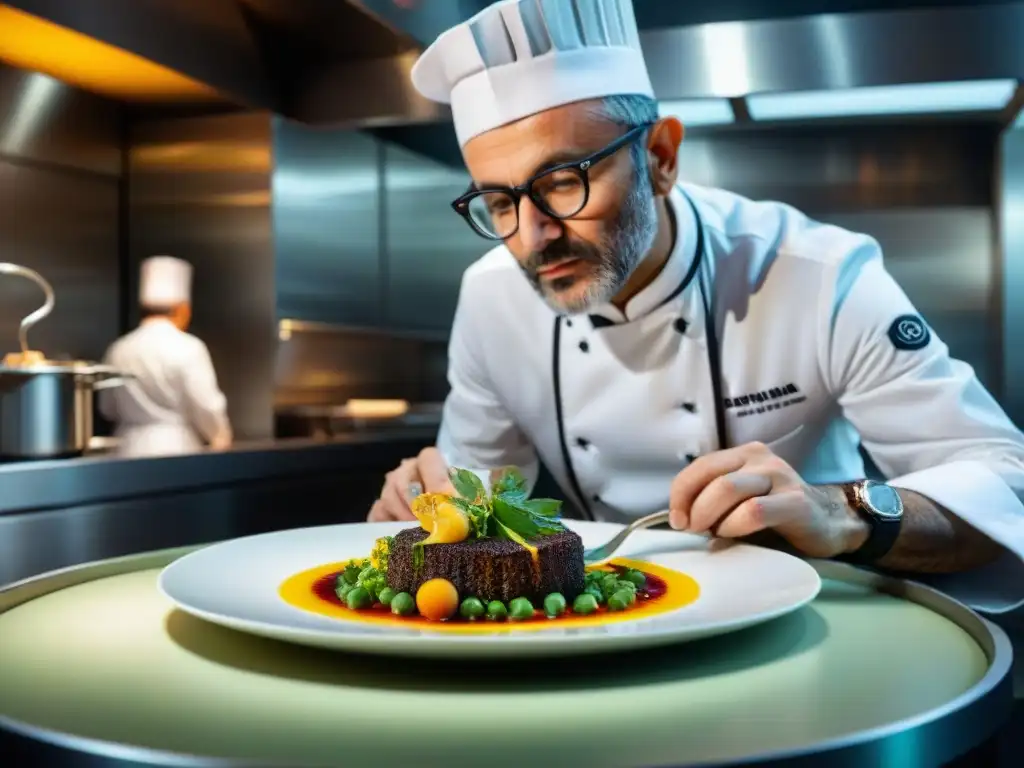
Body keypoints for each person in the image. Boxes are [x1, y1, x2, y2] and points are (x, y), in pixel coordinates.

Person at [369, 0, 1024, 613]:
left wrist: (844, 512)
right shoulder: (491, 298)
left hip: (815, 613)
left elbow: (1005, 487)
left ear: (659, 157)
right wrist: (431, 505)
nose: (533, 236)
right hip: (608, 621)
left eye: (562, 182)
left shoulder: (818, 275)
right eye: (501, 203)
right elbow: (477, 505)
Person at [99, 256, 232, 457]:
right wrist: (220, 436)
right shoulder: (189, 347)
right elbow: (206, 405)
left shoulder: (118, 348)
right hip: (177, 449)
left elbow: (106, 407)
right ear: (182, 310)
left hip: (126, 450)